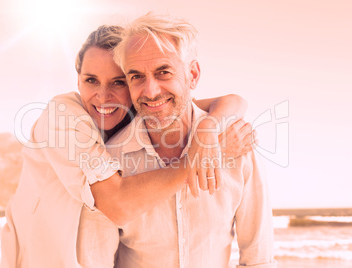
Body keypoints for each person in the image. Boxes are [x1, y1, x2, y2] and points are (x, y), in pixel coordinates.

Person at [1, 25, 255, 267]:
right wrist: (210, 155)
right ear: (77, 80)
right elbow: (115, 203)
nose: (102, 95)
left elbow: (227, 101)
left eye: (119, 81)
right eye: (91, 80)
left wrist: (208, 128)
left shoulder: (139, 115)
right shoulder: (63, 115)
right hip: (39, 257)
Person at [85, 13, 276, 268]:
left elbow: (259, 260)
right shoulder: (110, 161)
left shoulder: (238, 144)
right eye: (136, 77)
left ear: (193, 75)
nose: (151, 91)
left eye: (163, 72)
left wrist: (208, 129)